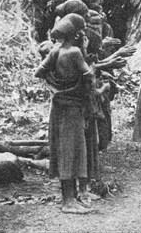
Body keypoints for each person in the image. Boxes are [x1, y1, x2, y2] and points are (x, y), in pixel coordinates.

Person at [35, 13, 103, 214]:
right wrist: (76, 83)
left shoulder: (55, 49)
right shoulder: (74, 51)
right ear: (75, 34)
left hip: (59, 105)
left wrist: (58, 85)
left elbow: (39, 72)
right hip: (72, 107)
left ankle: (71, 197)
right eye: (81, 32)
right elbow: (89, 76)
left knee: (65, 149)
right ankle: (68, 202)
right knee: (72, 149)